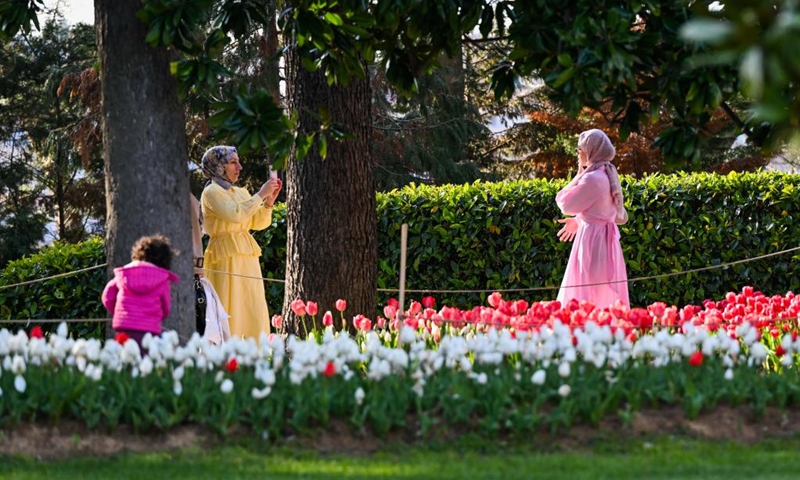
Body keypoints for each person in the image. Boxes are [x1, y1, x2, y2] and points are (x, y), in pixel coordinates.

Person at [200, 145, 282, 339]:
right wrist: (260, 194)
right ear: (219, 166)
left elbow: (257, 222)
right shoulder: (211, 192)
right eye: (232, 162)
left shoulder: (241, 193)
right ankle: (229, 354)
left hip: (245, 253)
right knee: (230, 303)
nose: (240, 167)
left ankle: (254, 353)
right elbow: (236, 215)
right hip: (223, 254)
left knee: (250, 302)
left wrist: (269, 202)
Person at [555, 129, 629, 309]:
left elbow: (565, 204)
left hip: (592, 240)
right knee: (600, 290)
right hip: (605, 239)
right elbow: (613, 214)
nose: (578, 153)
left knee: (587, 290)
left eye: (580, 148)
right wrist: (580, 219)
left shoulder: (593, 178)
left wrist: (579, 175)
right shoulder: (607, 174)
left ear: (591, 151)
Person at [102, 234, 179, 347]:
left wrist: (120, 311)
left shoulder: (124, 273)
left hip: (124, 326)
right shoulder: (162, 279)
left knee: (124, 358)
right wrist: (157, 315)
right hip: (149, 329)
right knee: (145, 360)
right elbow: (166, 307)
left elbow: (107, 297)